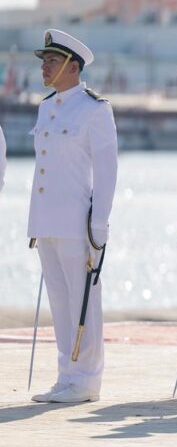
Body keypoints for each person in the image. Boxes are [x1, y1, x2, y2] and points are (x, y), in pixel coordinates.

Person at [28, 29, 118, 404]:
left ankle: (86, 380)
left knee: (83, 302)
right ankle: (67, 374)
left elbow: (107, 171)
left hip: (76, 222)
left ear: (73, 66)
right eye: (45, 61)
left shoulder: (95, 109)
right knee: (60, 301)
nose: (45, 68)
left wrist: (98, 225)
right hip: (47, 220)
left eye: (52, 61)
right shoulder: (47, 107)